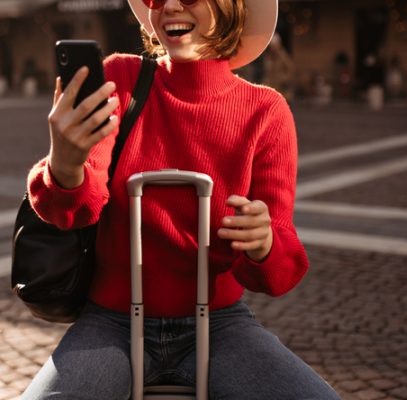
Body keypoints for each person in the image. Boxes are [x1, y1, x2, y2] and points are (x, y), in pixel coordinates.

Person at [20, 0, 340, 398]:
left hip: (220, 323)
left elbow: (280, 271)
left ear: (230, 7)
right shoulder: (119, 77)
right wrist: (64, 167)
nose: (169, 4)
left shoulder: (266, 111)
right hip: (112, 322)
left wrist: (264, 243)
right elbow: (75, 211)